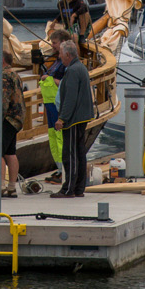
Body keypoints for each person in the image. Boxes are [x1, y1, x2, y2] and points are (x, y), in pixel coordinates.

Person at [52, 39, 93, 198]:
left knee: (70, 155)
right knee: (79, 153)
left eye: (61, 54)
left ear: (68, 55)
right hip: (80, 117)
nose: (60, 57)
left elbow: (70, 97)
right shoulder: (79, 67)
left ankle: (68, 189)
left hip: (73, 119)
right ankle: (78, 188)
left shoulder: (73, 71)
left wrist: (62, 118)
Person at [0, 68, 25, 197]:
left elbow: (3, 99)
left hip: (5, 119)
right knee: (10, 153)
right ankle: (12, 188)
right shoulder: (14, 75)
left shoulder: (4, 77)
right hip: (15, 119)